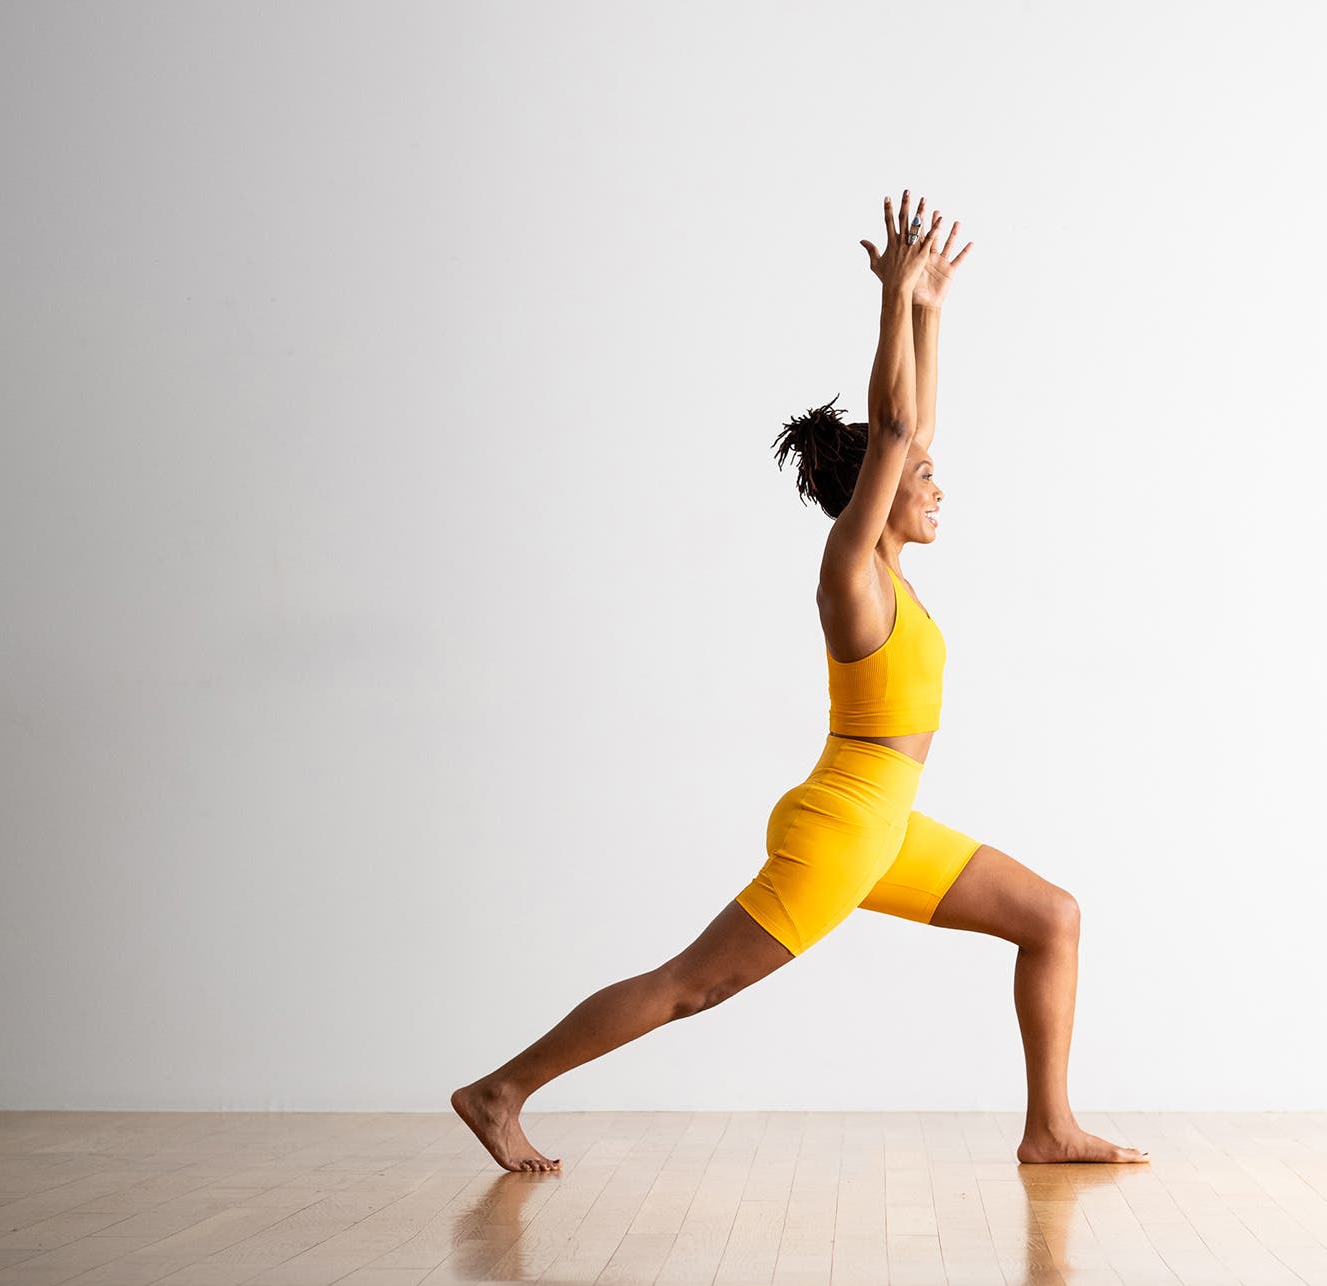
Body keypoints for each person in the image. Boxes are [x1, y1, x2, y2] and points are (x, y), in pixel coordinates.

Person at [452, 190, 1147, 1171]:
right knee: (693, 985)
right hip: (844, 822)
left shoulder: (892, 577)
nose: (937, 484)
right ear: (876, 493)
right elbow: (898, 425)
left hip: (883, 823)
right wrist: (892, 299)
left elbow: (912, 427)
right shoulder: (851, 572)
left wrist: (932, 310)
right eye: (920, 477)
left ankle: (1049, 1126)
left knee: (1051, 917)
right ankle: (500, 1091)